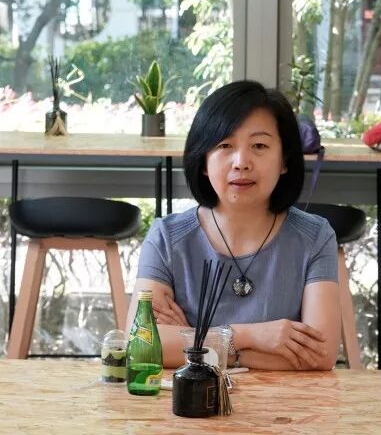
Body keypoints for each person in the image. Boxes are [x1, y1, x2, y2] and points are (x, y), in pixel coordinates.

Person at [129, 80, 340, 371]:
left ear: (285, 161)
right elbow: (142, 346)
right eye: (225, 145)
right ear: (203, 161)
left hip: (284, 400)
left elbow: (320, 355)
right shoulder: (167, 237)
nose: (241, 162)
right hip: (190, 399)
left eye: (259, 146)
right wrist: (248, 337)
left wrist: (194, 340)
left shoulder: (315, 237)